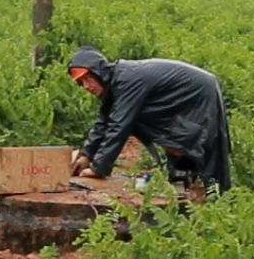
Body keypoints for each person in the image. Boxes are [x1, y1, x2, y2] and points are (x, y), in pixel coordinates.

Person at [65, 45, 232, 193]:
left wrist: (98, 168)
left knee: (195, 140)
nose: (86, 86)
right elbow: (103, 122)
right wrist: (86, 155)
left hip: (198, 92)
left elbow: (119, 126)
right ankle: (181, 180)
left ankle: (215, 194)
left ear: (98, 71)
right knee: (171, 132)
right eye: (81, 82)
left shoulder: (126, 81)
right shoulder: (116, 83)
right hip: (181, 93)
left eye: (88, 78)